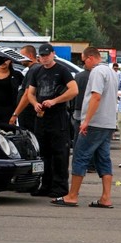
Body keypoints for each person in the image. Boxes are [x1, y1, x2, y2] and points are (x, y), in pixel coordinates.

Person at [51, 46, 118, 208]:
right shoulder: (112, 73)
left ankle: (72, 196)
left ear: (90, 58)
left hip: (95, 122)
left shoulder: (96, 72)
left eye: (83, 60)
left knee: (80, 156)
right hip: (108, 122)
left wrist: (86, 120)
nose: (83, 64)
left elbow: (96, 96)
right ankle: (106, 197)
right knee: (103, 159)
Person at [27, 43, 78, 198]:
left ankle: (60, 187)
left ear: (53, 54)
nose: (44, 58)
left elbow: (74, 90)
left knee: (59, 154)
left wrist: (55, 101)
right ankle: (46, 185)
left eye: (47, 55)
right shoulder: (37, 71)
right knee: (43, 154)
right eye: (42, 56)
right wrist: (35, 104)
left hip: (58, 118)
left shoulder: (62, 71)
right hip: (42, 118)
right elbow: (30, 93)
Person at [9, 45, 40, 131]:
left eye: (21, 55)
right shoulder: (33, 69)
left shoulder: (34, 70)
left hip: (28, 113)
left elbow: (27, 94)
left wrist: (15, 114)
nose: (20, 59)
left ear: (30, 55)